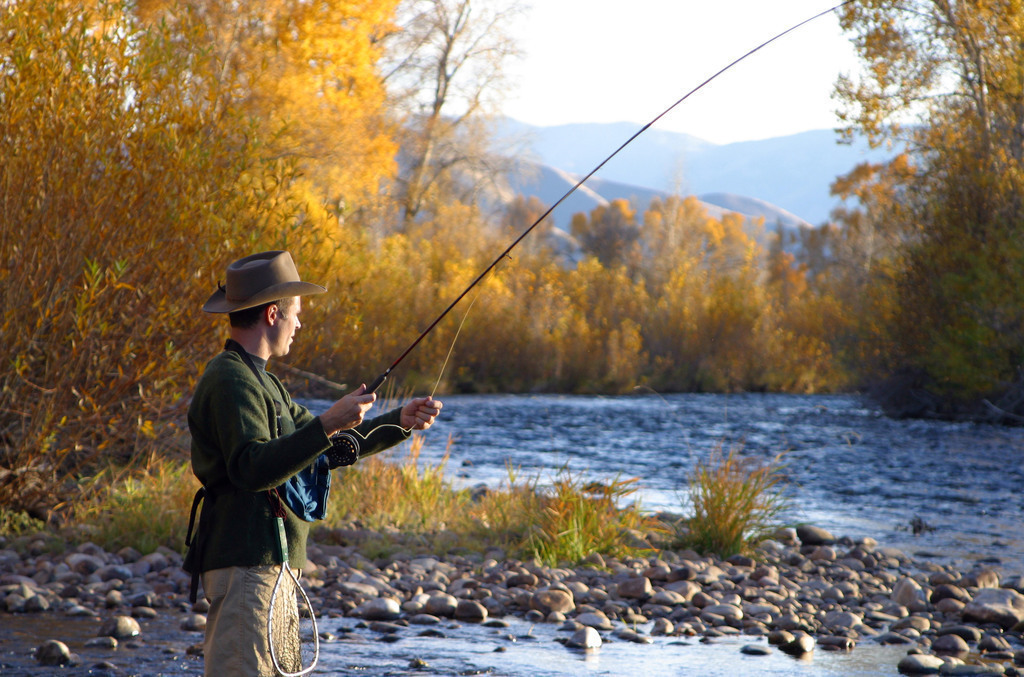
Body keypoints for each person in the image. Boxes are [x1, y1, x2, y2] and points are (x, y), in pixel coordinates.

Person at [183, 250, 442, 676]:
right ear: (272, 314)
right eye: (296, 313)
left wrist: (401, 421)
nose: (299, 323)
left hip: (271, 569)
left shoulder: (264, 382)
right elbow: (250, 467)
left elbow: (330, 446)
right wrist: (325, 425)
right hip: (247, 567)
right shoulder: (231, 379)